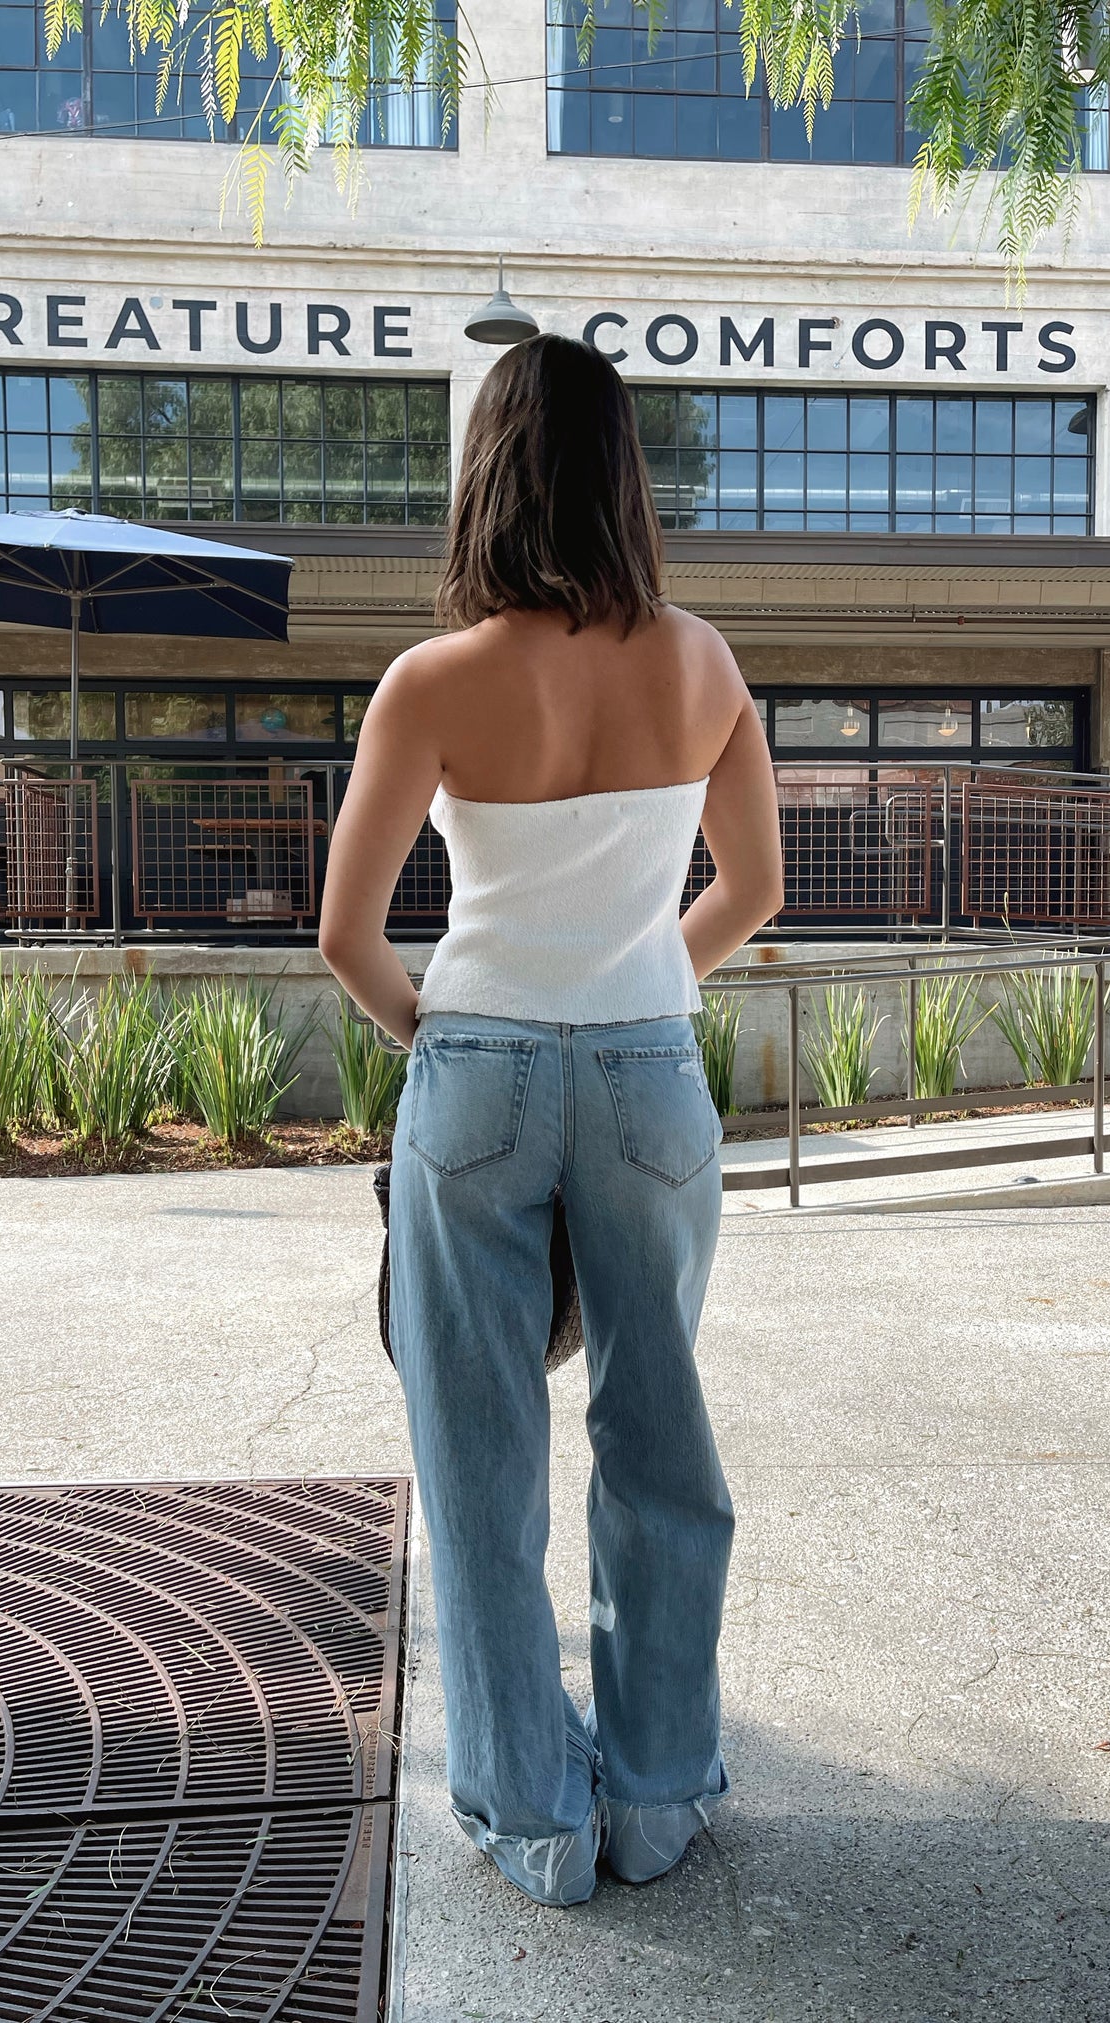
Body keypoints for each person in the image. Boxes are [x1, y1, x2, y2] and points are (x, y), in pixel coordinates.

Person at [318, 332, 783, 1907]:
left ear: (487, 473)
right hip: (649, 1067)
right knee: (659, 1433)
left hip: (480, 1070)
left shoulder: (432, 680)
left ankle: (534, 1821)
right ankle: (655, 1796)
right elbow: (757, 891)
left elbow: (347, 936)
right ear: (624, 474)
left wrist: (438, 1034)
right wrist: (646, 977)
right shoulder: (701, 661)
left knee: (480, 1454)